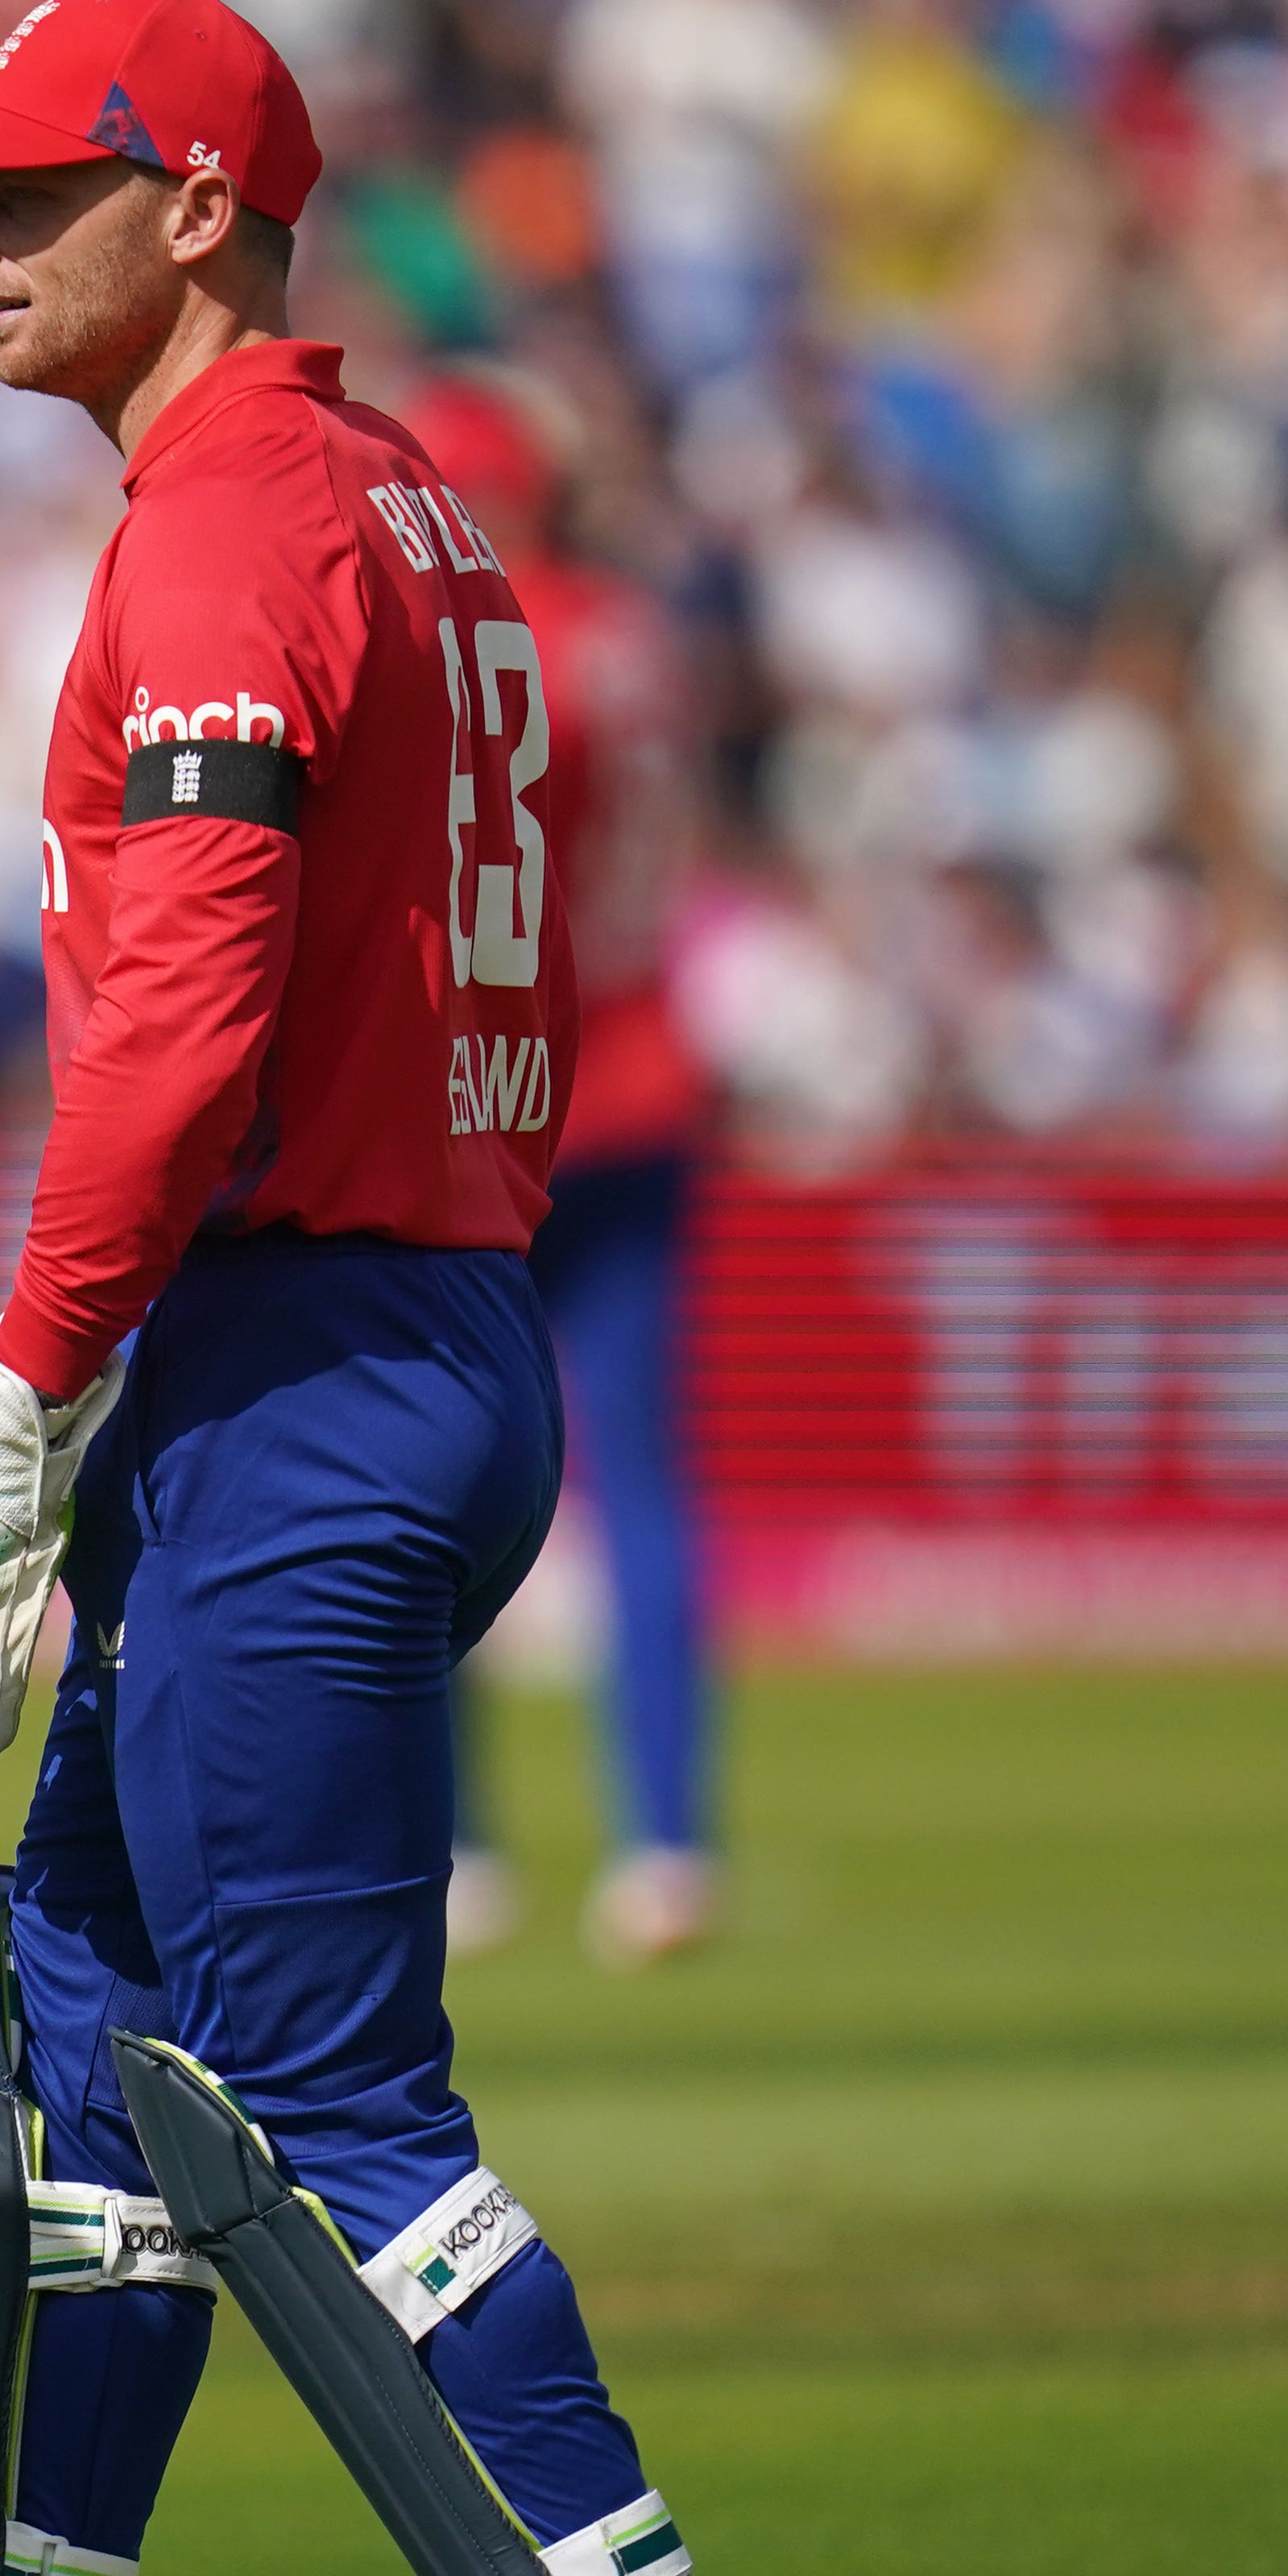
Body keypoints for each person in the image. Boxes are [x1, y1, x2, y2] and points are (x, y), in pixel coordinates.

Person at [0, 0, 856, 2576]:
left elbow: (176, 1051)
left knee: (318, 2103)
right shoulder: (400, 498)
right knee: (80, 2052)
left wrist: (4, 1409)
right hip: (368, 1339)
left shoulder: (226, 540)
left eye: (22, 188)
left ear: (196, 204)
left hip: (297, 1371)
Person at [407, 372, 727, 1972]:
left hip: (498, 1091)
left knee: (440, 1475)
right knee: (645, 1479)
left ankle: (462, 1842)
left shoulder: (486, 639)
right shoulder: (636, 631)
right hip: (649, 1061)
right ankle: (665, 1843)